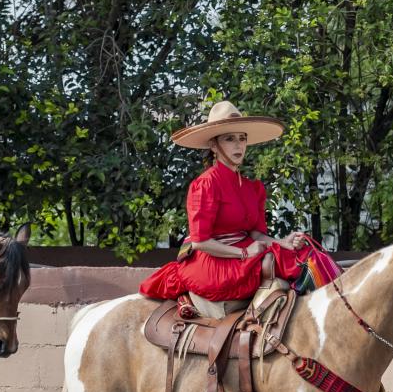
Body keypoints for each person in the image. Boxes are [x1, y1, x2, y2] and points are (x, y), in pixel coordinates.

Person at [139, 100, 339, 311]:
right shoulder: (206, 184)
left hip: (246, 252)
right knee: (298, 261)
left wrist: (281, 242)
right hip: (214, 261)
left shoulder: (253, 188)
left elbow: (256, 235)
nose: (238, 145)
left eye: (242, 139)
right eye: (230, 139)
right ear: (214, 146)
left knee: (306, 254)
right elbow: (200, 243)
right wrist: (244, 254)